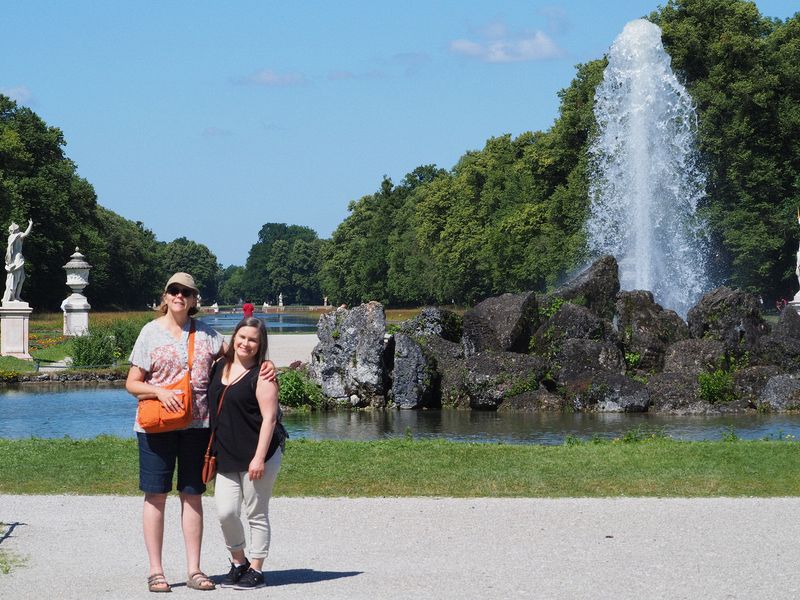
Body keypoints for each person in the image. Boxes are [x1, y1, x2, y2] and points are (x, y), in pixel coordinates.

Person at [126, 273, 275, 593]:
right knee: (155, 496)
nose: (179, 296)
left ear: (194, 299)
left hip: (197, 427)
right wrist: (157, 392)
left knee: (192, 495)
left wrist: (267, 364)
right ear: (165, 297)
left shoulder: (207, 335)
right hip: (156, 427)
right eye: (173, 291)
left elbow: (240, 354)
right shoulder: (149, 333)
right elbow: (132, 382)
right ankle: (156, 571)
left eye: (186, 292)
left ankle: (194, 569)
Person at [208, 317, 285, 590]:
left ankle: (257, 569)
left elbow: (270, 420)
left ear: (260, 344)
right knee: (226, 512)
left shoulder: (262, 375)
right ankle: (238, 562)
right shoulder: (219, 366)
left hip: (258, 454)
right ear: (234, 337)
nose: (246, 343)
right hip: (227, 453)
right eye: (242, 337)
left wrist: (259, 458)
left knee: (256, 513)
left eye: (253, 340)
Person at [3, 219, 33, 304]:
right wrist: (30, 224)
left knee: (21, 278)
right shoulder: (17, 235)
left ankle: (17, 296)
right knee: (16, 278)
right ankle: (13, 297)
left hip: (15, 259)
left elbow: (9, 252)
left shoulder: (11, 237)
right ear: (16, 230)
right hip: (17, 259)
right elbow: (26, 234)